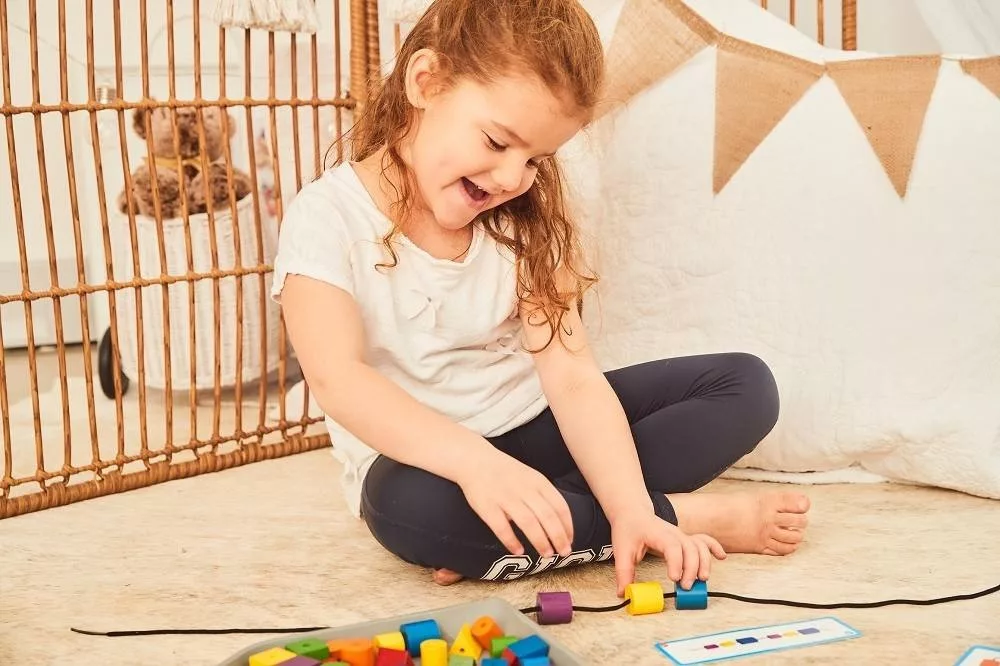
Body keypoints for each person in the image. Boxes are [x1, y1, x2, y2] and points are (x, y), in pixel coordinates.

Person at [270, 0, 810, 598]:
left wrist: (629, 503)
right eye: (497, 142)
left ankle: (567, 525)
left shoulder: (521, 220)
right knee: (413, 510)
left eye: (535, 160)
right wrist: (476, 465)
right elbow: (339, 379)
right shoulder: (326, 217)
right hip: (426, 464)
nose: (511, 178)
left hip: (535, 427)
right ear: (426, 82)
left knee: (745, 386)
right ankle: (678, 515)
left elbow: (572, 378)